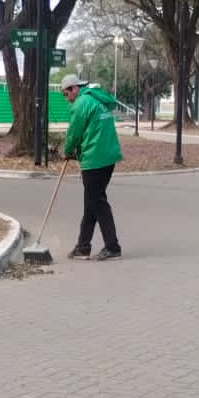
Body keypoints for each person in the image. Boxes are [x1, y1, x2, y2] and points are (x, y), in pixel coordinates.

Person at [60, 74, 124, 261]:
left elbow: (74, 132)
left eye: (66, 94)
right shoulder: (98, 99)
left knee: (98, 203)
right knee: (91, 204)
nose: (67, 98)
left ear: (74, 88)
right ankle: (83, 246)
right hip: (108, 157)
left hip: (94, 159)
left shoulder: (82, 103)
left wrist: (67, 151)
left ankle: (113, 247)